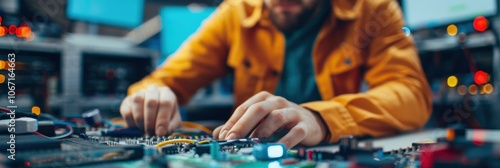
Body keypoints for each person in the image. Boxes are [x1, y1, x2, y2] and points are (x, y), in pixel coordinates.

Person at [120, 0, 432, 149]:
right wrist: (151, 94)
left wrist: (321, 118)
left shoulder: (374, 9)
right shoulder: (236, 12)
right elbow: (168, 78)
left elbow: (410, 94)